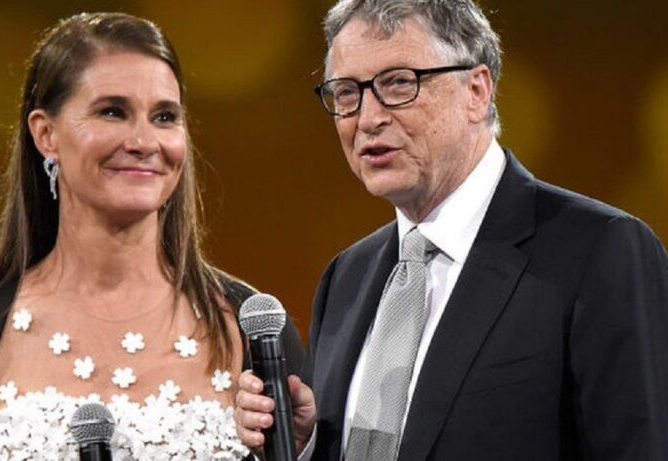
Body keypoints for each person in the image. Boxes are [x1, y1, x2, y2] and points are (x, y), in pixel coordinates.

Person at [235, 0, 668, 459]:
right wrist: (309, 444)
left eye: (398, 83)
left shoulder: (600, 250)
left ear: (476, 91)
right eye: (346, 93)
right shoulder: (346, 277)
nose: (368, 118)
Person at [0, 12, 303, 460]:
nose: (144, 141)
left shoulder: (254, 329)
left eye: (164, 117)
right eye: (112, 112)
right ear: (46, 134)